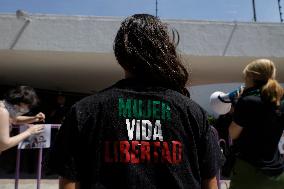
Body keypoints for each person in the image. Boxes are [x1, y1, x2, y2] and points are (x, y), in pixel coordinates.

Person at [45, 14, 224, 189]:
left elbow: (69, 180)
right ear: (166, 51)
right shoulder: (192, 112)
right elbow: (210, 181)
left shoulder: (85, 111)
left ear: (119, 54)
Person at [229, 59, 284, 189]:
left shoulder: (247, 101)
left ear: (251, 77)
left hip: (249, 172)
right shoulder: (280, 103)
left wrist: (237, 104)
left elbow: (233, 133)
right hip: (277, 174)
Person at [0, 86, 45, 152]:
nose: (27, 109)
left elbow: (14, 120)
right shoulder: (2, 111)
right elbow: (3, 145)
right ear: (19, 103)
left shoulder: (4, 107)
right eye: (28, 106)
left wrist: (34, 118)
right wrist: (29, 132)